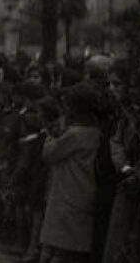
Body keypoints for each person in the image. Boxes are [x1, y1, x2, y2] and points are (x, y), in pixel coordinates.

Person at [39, 84, 102, 263]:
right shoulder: (95, 131)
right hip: (82, 192)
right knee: (71, 248)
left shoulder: (74, 134)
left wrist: (51, 134)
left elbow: (49, 153)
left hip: (66, 195)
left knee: (60, 247)